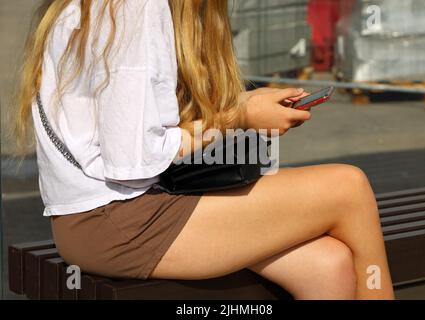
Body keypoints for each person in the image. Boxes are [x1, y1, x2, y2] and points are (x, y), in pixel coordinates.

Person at [14, 0, 394, 300]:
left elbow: (131, 125)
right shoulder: (133, 8)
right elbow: (134, 159)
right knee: (348, 188)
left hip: (107, 218)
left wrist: (245, 105)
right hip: (117, 220)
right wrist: (239, 117)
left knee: (329, 267)